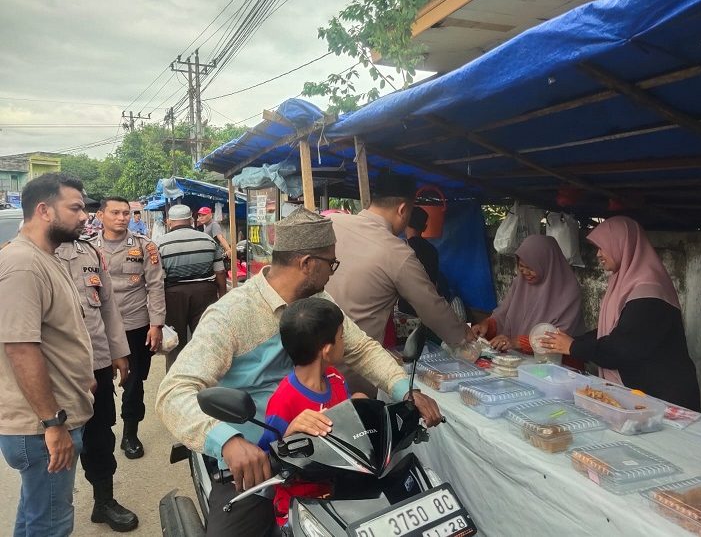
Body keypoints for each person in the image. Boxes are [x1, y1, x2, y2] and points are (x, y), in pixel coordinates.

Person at [156, 207, 443, 537]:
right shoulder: (231, 316)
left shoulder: (318, 300)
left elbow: (361, 348)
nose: (333, 273)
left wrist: (402, 388)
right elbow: (174, 391)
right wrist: (229, 442)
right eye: (330, 264)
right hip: (260, 463)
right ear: (307, 263)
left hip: (327, 452)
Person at [0, 173, 94, 536]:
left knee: (34, 515)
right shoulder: (23, 264)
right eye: (75, 208)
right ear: (44, 210)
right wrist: (52, 423)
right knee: (51, 524)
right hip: (41, 428)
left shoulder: (46, 257)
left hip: (50, 420)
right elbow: (21, 349)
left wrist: (80, 380)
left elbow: (56, 336)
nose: (84, 215)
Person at [326, 174, 474, 395]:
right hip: (352, 372)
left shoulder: (332, 223)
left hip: (309, 361)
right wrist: (463, 336)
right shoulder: (397, 252)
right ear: (403, 209)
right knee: (354, 427)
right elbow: (432, 306)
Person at [540, 216, 701, 410]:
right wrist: (572, 341)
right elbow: (613, 331)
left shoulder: (649, 290)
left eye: (603, 247)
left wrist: (574, 347)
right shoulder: (624, 282)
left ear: (622, 244)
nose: (598, 254)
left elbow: (623, 347)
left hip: (664, 399)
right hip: (644, 396)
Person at [257, 297, 366, 526]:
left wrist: (359, 408)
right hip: (300, 505)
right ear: (326, 350)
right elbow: (265, 462)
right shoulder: (283, 402)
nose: (344, 342)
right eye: (341, 337)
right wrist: (289, 434)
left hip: (340, 490)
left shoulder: (336, 379)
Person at [55, 238, 139, 531]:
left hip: (97, 361)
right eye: (74, 208)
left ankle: (103, 502)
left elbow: (108, 307)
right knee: (53, 447)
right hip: (55, 372)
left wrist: (118, 351)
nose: (82, 216)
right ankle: (51, 513)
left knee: (100, 435)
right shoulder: (28, 255)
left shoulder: (89, 252)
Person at [90, 197, 166, 459]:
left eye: (126, 213)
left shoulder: (145, 247)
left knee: (133, 383)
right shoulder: (87, 248)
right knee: (100, 381)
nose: (122, 217)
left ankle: (130, 434)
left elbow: (156, 286)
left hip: (135, 324)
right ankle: (102, 432)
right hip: (99, 327)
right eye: (115, 212)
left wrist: (156, 324)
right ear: (100, 215)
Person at [472, 235, 585, 368]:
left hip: (559, 367)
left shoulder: (568, 292)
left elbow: (556, 337)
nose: (525, 272)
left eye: (531, 268)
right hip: (521, 361)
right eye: (521, 266)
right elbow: (503, 314)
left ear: (546, 264)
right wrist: (486, 325)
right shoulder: (520, 283)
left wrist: (516, 342)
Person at [156, 204, 227, 370]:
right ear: (190, 220)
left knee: (175, 341)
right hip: (205, 293)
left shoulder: (160, 244)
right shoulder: (208, 240)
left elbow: (157, 278)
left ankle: (176, 377)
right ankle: (205, 375)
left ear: (169, 222)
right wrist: (222, 295)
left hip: (174, 295)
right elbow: (220, 272)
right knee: (203, 338)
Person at [397, 206, 439, 316]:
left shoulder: (403, 249)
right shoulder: (432, 250)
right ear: (424, 227)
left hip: (407, 307)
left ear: (405, 223)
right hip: (429, 306)